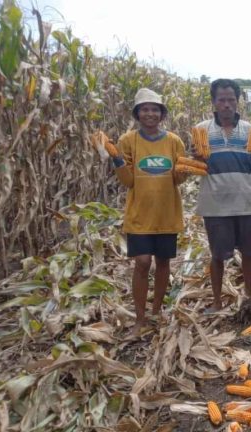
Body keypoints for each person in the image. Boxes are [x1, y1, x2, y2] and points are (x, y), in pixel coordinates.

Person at [112, 88, 187, 336]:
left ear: (162, 114)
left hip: (167, 212)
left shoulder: (174, 141)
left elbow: (178, 179)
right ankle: (140, 317)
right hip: (140, 213)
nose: (150, 114)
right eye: (145, 109)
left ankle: (156, 312)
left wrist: (188, 168)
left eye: (155, 109)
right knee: (142, 263)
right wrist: (117, 161)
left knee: (163, 262)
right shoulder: (127, 141)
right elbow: (129, 181)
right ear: (137, 113)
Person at [194, 79, 251, 317]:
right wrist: (198, 158)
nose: (226, 105)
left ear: (237, 101)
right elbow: (200, 167)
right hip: (215, 202)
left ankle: (249, 296)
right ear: (213, 102)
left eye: (231, 100)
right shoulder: (202, 129)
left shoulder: (249, 129)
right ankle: (216, 301)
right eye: (221, 100)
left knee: (249, 252)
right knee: (217, 256)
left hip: (245, 200)